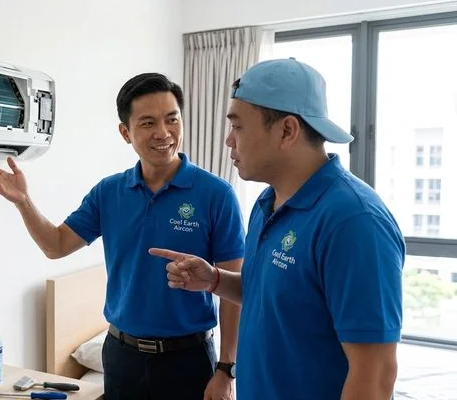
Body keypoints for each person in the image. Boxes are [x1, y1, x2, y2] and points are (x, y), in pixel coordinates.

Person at [150, 58, 405, 400]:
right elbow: (272, 294)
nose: (228, 141)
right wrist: (214, 280)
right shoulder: (267, 204)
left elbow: (374, 375)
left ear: (287, 130)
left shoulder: (354, 222)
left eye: (237, 126)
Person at [0, 73, 245, 399]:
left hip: (188, 359)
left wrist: (226, 370)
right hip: (123, 357)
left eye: (171, 119)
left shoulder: (216, 194)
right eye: (147, 123)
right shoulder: (109, 193)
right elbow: (56, 245)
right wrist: (23, 202)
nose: (163, 133)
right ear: (125, 132)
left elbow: (235, 286)